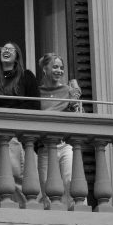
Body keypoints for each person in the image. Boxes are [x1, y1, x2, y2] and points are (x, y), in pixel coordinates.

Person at [0, 42, 40, 205]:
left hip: (15, 136)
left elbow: (34, 106)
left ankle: (23, 215)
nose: (6, 50)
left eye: (10, 49)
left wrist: (5, 110)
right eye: (3, 48)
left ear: (17, 55)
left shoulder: (26, 77)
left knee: (16, 181)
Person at [37, 52, 82, 209]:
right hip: (45, 147)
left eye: (61, 68)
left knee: (70, 181)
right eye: (55, 67)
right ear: (45, 69)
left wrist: (75, 106)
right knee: (45, 185)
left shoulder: (68, 91)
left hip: (65, 144)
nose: (59, 71)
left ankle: (75, 216)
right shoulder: (37, 93)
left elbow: (78, 115)